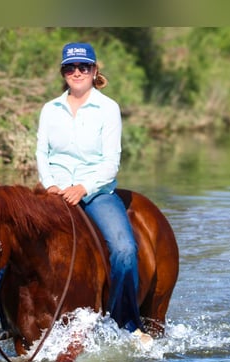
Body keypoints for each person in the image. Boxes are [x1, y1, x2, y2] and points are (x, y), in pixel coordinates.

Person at [36, 42, 146, 335]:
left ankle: (126, 323)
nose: (77, 72)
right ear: (63, 72)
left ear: (94, 70)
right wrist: (51, 186)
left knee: (124, 250)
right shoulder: (50, 110)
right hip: (54, 191)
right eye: (70, 67)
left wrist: (83, 187)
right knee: (7, 241)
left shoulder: (108, 109)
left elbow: (112, 161)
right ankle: (9, 323)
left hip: (96, 192)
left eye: (83, 67)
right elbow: (41, 154)